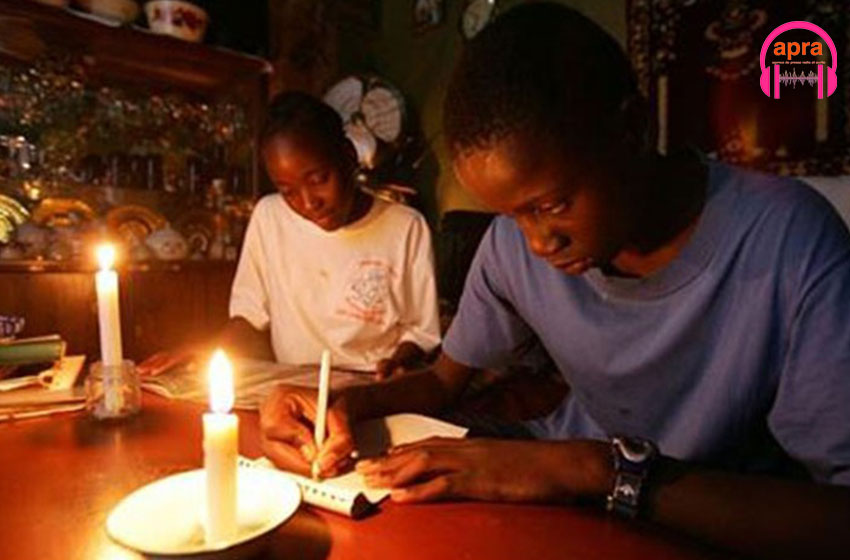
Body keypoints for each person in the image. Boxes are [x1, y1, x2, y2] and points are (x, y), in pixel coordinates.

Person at [258, 4, 850, 558]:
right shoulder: (513, 244)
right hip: (568, 494)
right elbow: (442, 383)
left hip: (707, 515)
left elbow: (835, 516)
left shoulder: (789, 240)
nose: (537, 243)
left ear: (633, 129)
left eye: (553, 205)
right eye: (511, 215)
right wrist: (340, 404)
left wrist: (594, 469)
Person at [141, 92, 440, 379]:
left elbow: (421, 331)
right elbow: (249, 316)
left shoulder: (405, 227)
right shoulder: (269, 217)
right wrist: (204, 350)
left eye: (319, 179)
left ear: (349, 156)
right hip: (293, 386)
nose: (309, 203)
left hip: (368, 384)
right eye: (288, 192)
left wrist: (398, 363)